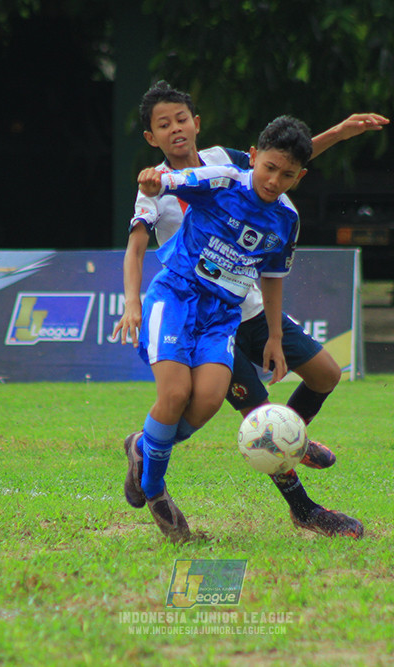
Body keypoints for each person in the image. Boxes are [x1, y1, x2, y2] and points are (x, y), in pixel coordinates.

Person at [113, 81, 387, 538]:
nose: (176, 129)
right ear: (152, 137)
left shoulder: (228, 163)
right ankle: (303, 508)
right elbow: (136, 249)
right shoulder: (160, 185)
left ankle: (283, 437)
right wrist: (132, 302)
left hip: (246, 307)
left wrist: (337, 133)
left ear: (195, 123)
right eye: (164, 124)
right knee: (257, 415)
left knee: (325, 374)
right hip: (191, 304)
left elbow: (280, 163)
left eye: (181, 119)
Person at [122, 115, 312, 543]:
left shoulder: (286, 219)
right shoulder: (223, 180)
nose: (274, 180)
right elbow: (170, 181)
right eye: (268, 168)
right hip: (176, 298)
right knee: (173, 396)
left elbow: (273, 277)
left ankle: (142, 448)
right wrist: (154, 183)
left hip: (221, 317)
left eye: (286, 175)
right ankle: (155, 491)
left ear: (299, 177)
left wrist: (277, 339)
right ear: (253, 157)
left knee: (205, 401)